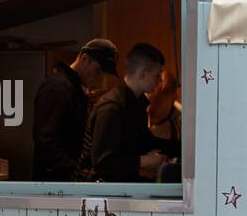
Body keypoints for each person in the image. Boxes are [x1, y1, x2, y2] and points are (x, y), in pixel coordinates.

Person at [80, 42, 180, 183]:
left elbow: (145, 141)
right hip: (100, 192)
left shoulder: (137, 103)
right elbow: (103, 162)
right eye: (157, 75)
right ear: (142, 73)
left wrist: (186, 148)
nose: (159, 81)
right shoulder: (112, 106)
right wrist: (143, 161)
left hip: (122, 185)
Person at [30, 39, 118, 181]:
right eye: (97, 72)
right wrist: (75, 172)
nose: (99, 79)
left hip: (67, 182)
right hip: (54, 185)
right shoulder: (57, 88)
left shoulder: (76, 90)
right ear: (84, 58)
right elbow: (45, 141)